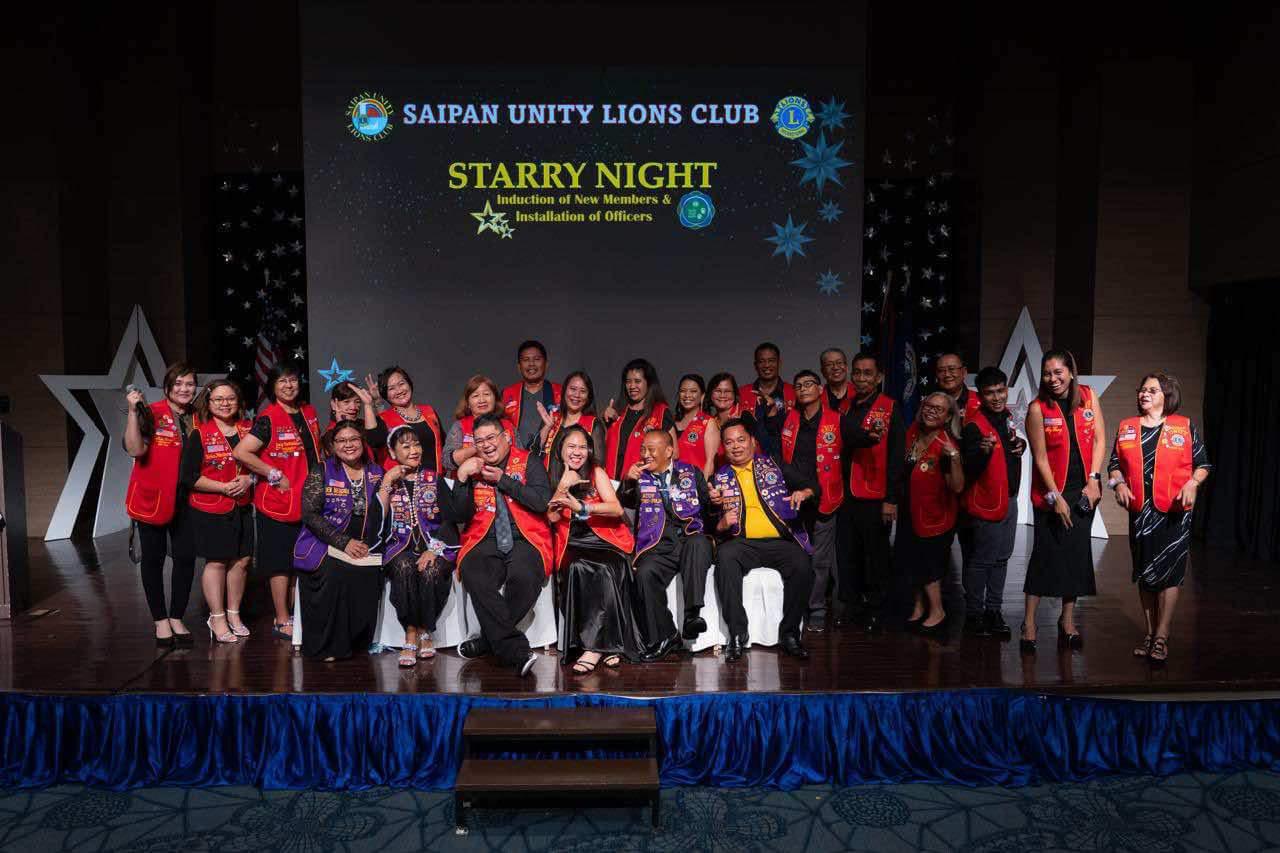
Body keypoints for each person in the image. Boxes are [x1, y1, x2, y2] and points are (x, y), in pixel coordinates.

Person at [1108, 372, 1211, 664]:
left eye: (1152, 390)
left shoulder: (1183, 426)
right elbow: (1113, 465)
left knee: (1171, 574)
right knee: (1145, 574)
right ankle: (1150, 634)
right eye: (1142, 389)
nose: (1144, 394)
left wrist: (1192, 483)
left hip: (1174, 513)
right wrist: (1120, 484)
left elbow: (1203, 464)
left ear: (1167, 395)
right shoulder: (1127, 427)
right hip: (1141, 512)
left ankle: (1162, 636)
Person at [446, 414, 553, 676]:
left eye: (491, 437)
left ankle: (487, 641)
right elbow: (459, 515)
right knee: (474, 573)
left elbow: (541, 502)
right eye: (479, 440)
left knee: (525, 575)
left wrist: (503, 480)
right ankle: (515, 649)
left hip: (525, 536)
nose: (486, 445)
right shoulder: (472, 468)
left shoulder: (529, 461)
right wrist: (460, 477)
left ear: (505, 437)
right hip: (485, 536)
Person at [708, 419, 815, 662]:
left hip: (779, 541)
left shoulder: (775, 466)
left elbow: (811, 486)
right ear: (723, 448)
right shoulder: (718, 478)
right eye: (729, 442)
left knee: (801, 563)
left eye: (741, 439)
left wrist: (803, 493)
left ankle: (789, 635)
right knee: (725, 557)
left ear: (753, 441)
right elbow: (709, 524)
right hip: (742, 544)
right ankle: (737, 633)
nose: (736, 446)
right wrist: (721, 524)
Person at [1021, 349, 1106, 654]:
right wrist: (1055, 496)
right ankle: (1029, 623)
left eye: (1059, 372)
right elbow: (1040, 458)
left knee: (1076, 555)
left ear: (1071, 372)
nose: (1053, 379)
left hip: (1083, 491)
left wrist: (1094, 480)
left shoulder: (1088, 396)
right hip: (1050, 494)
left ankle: (1066, 621)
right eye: (1047, 373)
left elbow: (1099, 440)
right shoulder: (1037, 409)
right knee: (1045, 555)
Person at [232, 363, 322, 640]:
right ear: (272, 387)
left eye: (293, 380)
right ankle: (282, 618)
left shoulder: (308, 412)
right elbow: (241, 452)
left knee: (301, 561)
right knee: (280, 563)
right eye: (282, 381)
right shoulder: (267, 418)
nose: (288, 385)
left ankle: (299, 616)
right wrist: (272, 473)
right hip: (278, 502)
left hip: (308, 499)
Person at [547, 424, 645, 672]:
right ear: (560, 450)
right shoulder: (554, 474)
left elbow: (617, 509)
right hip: (572, 542)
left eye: (582, 447)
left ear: (590, 450)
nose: (577, 452)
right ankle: (605, 645)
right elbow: (552, 519)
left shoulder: (596, 472)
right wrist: (563, 485)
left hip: (604, 539)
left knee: (606, 568)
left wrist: (584, 508)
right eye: (571, 446)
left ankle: (597, 648)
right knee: (579, 567)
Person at [292, 421, 387, 661]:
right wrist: (343, 543)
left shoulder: (376, 471)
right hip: (324, 540)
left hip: (366, 540)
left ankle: (356, 641)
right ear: (333, 446)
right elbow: (309, 514)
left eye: (354, 439)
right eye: (342, 441)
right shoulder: (322, 470)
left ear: (362, 442)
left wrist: (369, 543)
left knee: (369, 573)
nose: (349, 445)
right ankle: (327, 646)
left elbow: (386, 513)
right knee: (334, 573)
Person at [618, 428, 716, 660]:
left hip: (689, 537)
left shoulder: (691, 473)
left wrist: (716, 502)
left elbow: (709, 509)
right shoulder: (639, 477)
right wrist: (628, 482)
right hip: (657, 544)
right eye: (643, 449)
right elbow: (624, 503)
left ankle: (692, 615)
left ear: (669, 451)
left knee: (698, 543)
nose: (645, 454)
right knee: (644, 574)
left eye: (651, 449)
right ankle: (666, 635)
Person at [124, 362, 199, 647]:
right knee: (153, 560)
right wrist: (133, 411)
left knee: (185, 558)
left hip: (188, 499)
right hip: (152, 498)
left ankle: (177, 616)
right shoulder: (151, 412)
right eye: (178, 384)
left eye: (189, 384)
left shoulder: (197, 417)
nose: (184, 389)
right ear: (167, 388)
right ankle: (160, 621)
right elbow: (134, 449)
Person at [378, 426, 459, 667]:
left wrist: (433, 549)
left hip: (437, 545)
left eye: (417, 445)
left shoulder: (434, 478)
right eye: (406, 446)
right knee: (404, 567)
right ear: (393, 453)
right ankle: (410, 631)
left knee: (431, 570)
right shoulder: (388, 480)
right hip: (397, 547)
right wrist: (385, 482)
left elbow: (449, 519)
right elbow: (376, 518)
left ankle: (425, 629)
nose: (414, 450)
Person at [181, 378, 254, 643]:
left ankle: (234, 613)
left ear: (238, 402)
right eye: (218, 399)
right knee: (217, 561)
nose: (225, 404)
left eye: (230, 399)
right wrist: (222, 487)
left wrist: (249, 480)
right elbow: (189, 477)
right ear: (209, 404)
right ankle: (217, 616)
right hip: (210, 507)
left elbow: (262, 465)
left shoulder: (249, 429)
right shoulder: (199, 434)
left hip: (242, 505)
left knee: (242, 561)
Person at [836, 352, 904, 632]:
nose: (861, 378)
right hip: (846, 494)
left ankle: (877, 609)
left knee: (875, 555)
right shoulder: (846, 408)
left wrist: (891, 499)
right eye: (857, 372)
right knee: (848, 553)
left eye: (867, 373)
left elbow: (897, 456)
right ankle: (851, 607)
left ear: (878, 378)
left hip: (876, 495)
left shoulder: (890, 407)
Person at [958, 368, 1026, 639]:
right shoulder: (974, 425)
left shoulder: (1007, 418)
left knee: (1001, 559)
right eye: (989, 393)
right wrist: (981, 453)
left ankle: (993, 611)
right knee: (981, 561)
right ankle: (974, 615)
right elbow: (968, 467)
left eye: (1000, 391)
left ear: (1006, 389)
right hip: (986, 503)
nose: (996, 397)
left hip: (1009, 500)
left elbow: (1009, 452)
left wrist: (1020, 445)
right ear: (981, 395)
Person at [777, 369, 845, 632]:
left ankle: (816, 607)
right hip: (793, 495)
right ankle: (795, 605)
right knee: (795, 555)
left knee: (820, 559)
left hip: (824, 497)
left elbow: (853, 448)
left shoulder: (837, 420)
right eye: (799, 385)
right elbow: (778, 455)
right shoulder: (789, 419)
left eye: (809, 384)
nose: (804, 389)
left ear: (820, 389)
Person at [899, 393, 966, 639]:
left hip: (936, 516)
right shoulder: (913, 433)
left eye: (938, 410)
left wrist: (955, 458)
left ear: (948, 417)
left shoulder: (947, 445)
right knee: (913, 561)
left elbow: (957, 487)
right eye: (928, 406)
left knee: (930, 565)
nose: (931, 411)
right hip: (910, 512)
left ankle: (937, 611)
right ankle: (919, 606)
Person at [603, 359, 677, 480]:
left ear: (648, 383)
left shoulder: (661, 412)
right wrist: (608, 422)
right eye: (628, 382)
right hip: (612, 484)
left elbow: (674, 454)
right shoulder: (618, 411)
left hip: (644, 484)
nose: (632, 386)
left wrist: (647, 468)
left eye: (637, 381)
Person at [373, 366, 444, 474]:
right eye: (391, 388)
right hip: (402, 485)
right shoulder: (384, 419)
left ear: (409, 384)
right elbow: (373, 441)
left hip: (434, 482)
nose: (399, 391)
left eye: (401, 384)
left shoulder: (429, 411)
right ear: (385, 394)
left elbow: (443, 444)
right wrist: (370, 404)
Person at [443, 374, 514, 477]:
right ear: (467, 403)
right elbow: (446, 462)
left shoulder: (508, 426)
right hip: (468, 487)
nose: (482, 400)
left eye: (486, 394)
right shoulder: (460, 426)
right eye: (475, 396)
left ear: (495, 398)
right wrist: (480, 446)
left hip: (504, 485)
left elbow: (521, 459)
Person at [503, 340, 562, 451]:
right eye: (526, 360)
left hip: (550, 458)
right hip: (516, 460)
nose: (531, 364)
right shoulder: (507, 394)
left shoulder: (560, 392)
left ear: (546, 364)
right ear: (519, 366)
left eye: (537, 359)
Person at [539, 371, 606, 466]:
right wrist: (546, 428)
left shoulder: (593, 424)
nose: (577, 395)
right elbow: (535, 453)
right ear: (564, 390)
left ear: (588, 397)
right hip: (546, 479)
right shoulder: (551, 418)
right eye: (573, 389)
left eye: (583, 391)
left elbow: (598, 464)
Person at [739, 342, 793, 458]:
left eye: (771, 360)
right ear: (755, 365)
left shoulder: (793, 393)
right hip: (750, 459)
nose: (767, 365)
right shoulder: (742, 393)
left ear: (779, 363)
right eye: (762, 361)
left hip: (786, 460)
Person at [707, 372, 761, 470]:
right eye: (718, 391)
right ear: (710, 394)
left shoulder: (744, 416)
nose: (722, 395)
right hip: (721, 477)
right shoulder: (709, 422)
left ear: (735, 394)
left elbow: (758, 451)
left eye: (727, 391)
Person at [673, 373, 720, 478]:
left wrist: (702, 489)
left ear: (702, 396)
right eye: (683, 391)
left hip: (695, 486)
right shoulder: (671, 422)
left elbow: (710, 462)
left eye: (693, 391)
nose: (687, 395)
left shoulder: (708, 423)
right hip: (670, 486)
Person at [325, 380, 386, 450]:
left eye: (357, 401)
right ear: (333, 404)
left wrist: (377, 401)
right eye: (346, 402)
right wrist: (341, 426)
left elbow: (381, 438)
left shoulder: (362, 424)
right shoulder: (330, 433)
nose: (353, 407)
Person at [935, 352, 980, 437]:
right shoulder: (928, 405)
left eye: (952, 369)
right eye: (941, 370)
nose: (947, 375)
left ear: (964, 372)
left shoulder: (981, 401)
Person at [819, 348, 853, 414]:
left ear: (846, 367)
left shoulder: (858, 393)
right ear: (822, 371)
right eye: (829, 364)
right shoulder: (817, 396)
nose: (835, 367)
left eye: (839, 362)